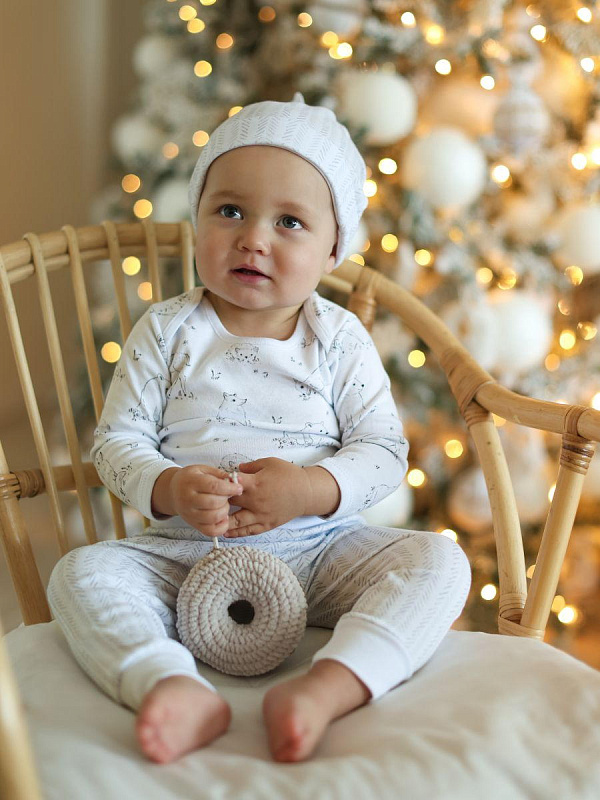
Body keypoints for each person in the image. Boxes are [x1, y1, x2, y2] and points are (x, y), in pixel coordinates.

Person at [48, 94, 471, 766]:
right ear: (196, 220)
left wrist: (309, 489)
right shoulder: (167, 330)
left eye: (290, 222)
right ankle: (167, 684)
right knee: (81, 572)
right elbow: (117, 444)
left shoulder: (338, 337)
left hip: (321, 552)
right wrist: (169, 487)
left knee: (440, 562)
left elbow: (384, 451)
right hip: (183, 555)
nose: (253, 238)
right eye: (229, 211)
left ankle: (330, 687)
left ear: (333, 249)